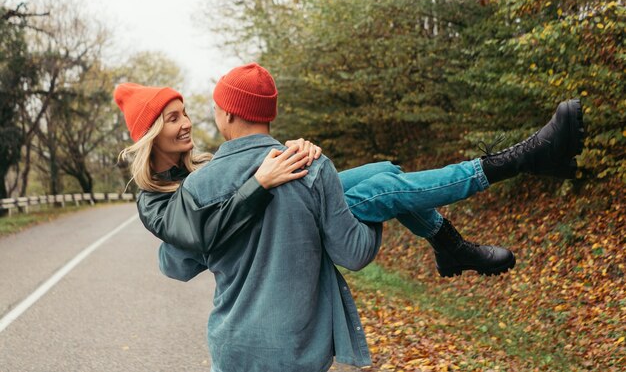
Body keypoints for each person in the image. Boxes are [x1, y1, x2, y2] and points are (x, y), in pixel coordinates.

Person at [115, 64, 583, 371]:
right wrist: (261, 181)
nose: (186, 123)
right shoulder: (156, 199)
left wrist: (280, 171)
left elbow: (185, 252)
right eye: (172, 118)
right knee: (386, 191)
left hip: (235, 338)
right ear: (150, 134)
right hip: (278, 233)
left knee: (384, 172)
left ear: (226, 113)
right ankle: (512, 166)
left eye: (185, 113)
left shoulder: (199, 173)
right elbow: (183, 252)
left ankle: (451, 239)